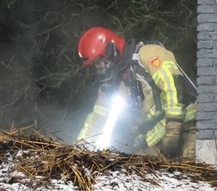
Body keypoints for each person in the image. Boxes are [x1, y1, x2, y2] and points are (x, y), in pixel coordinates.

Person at [75, 27, 197, 159]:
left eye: (99, 62)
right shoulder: (111, 87)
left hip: (188, 125)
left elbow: (174, 87)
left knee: (191, 170)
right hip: (155, 138)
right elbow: (96, 120)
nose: (99, 68)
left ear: (112, 50)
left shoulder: (148, 54)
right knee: (135, 172)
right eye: (95, 65)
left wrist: (173, 132)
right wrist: (77, 153)